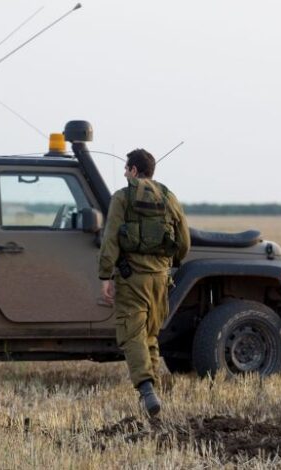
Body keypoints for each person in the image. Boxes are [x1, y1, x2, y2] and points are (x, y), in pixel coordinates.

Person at [98, 149, 190, 416]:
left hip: (131, 278)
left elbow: (110, 239)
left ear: (134, 170)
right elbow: (184, 240)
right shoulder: (168, 196)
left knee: (132, 334)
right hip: (160, 278)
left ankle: (146, 387)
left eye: (126, 169)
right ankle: (153, 395)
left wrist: (105, 275)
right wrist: (170, 263)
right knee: (150, 334)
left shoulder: (122, 197)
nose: (125, 174)